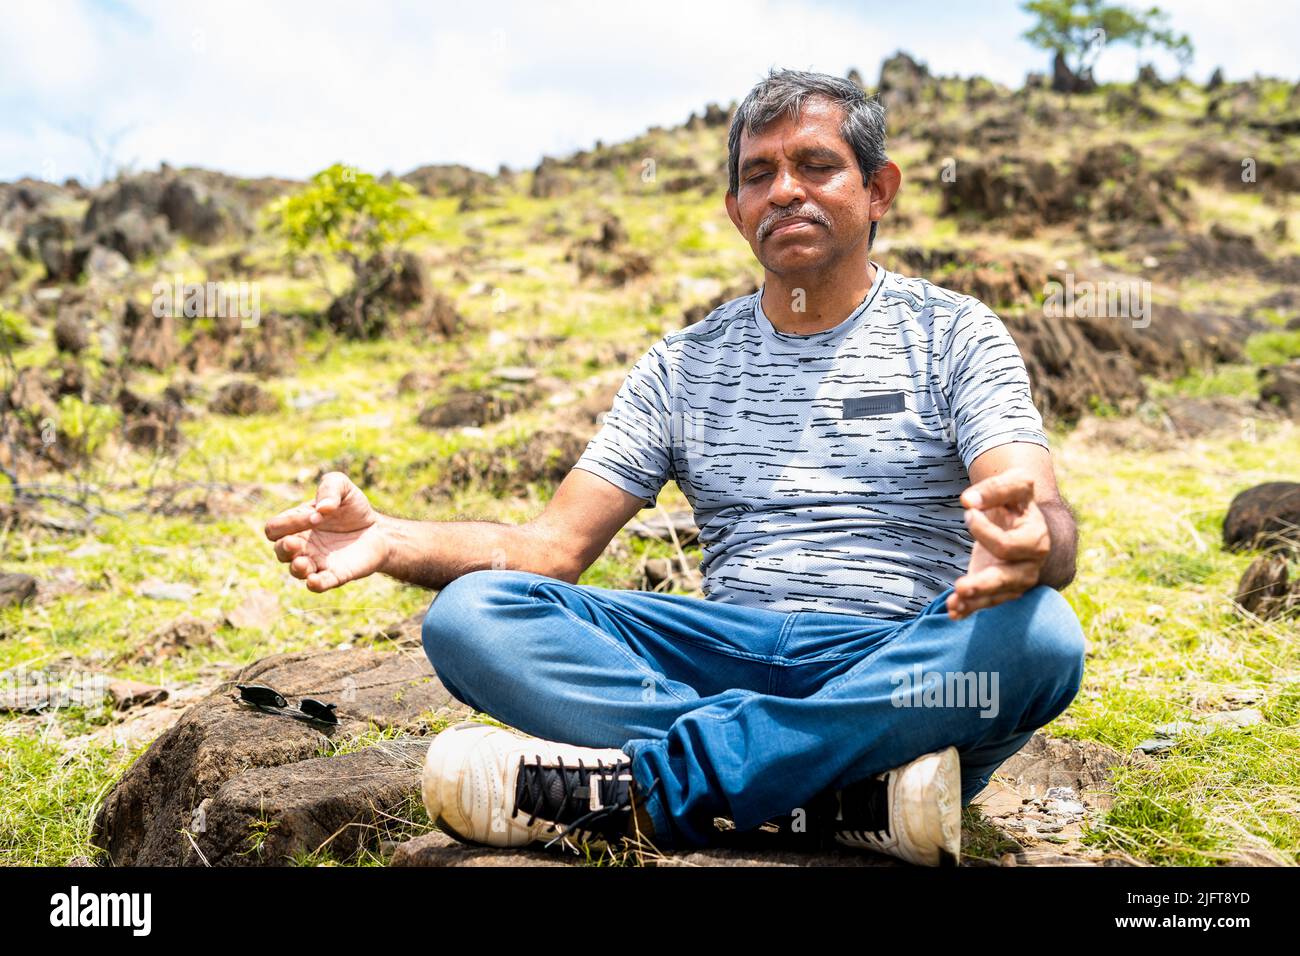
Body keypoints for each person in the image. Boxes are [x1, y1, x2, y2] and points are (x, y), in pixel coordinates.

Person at [265, 67, 1085, 867]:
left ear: (879, 189)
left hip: (894, 663)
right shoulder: (683, 365)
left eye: (817, 165)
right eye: (760, 175)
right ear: (737, 211)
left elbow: (1040, 518)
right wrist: (387, 538)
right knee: (471, 616)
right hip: (720, 652)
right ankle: (834, 794)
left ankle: (664, 783)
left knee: (1040, 635)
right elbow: (552, 551)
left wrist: (1028, 542)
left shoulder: (953, 334)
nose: (787, 190)